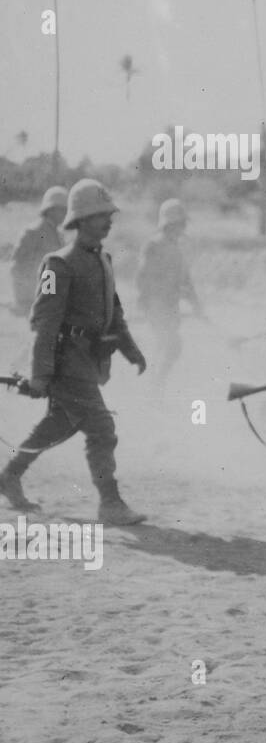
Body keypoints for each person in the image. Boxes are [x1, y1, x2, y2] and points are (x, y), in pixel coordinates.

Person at [0, 179, 148, 525]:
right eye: (99, 216)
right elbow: (44, 323)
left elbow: (115, 313)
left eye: (109, 215)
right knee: (102, 428)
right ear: (79, 220)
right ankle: (110, 503)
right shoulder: (57, 263)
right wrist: (39, 375)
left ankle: (8, 477)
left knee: (58, 424)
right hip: (66, 363)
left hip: (89, 359)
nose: (108, 221)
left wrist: (131, 350)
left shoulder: (105, 260)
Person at [136, 198, 203, 386]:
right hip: (157, 306)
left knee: (164, 348)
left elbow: (186, 280)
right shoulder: (153, 246)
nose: (183, 228)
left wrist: (196, 303)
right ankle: (154, 387)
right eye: (180, 223)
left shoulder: (176, 247)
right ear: (171, 223)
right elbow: (143, 278)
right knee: (171, 346)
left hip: (170, 307)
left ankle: (154, 388)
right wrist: (148, 303)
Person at [9, 186, 67, 316]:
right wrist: (24, 298)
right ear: (50, 210)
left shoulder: (58, 234)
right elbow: (17, 266)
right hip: (33, 297)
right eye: (62, 210)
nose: (65, 214)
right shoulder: (33, 232)